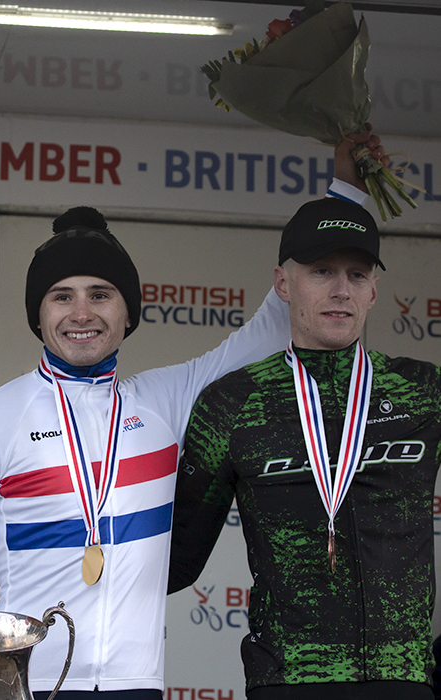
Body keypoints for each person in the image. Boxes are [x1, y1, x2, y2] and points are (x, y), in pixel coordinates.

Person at [0, 131, 385, 700]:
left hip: (137, 688)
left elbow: (269, 328)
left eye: (101, 293)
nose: (82, 313)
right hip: (24, 688)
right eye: (61, 296)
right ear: (38, 314)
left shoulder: (166, 401)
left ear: (129, 312)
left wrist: (346, 197)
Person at [169, 172, 440, 698]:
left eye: (357, 275)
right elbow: (174, 561)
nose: (341, 290)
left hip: (402, 681)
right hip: (288, 680)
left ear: (374, 290)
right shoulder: (233, 402)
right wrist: (39, 576)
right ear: (283, 283)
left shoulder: (423, 391)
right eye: (321, 271)